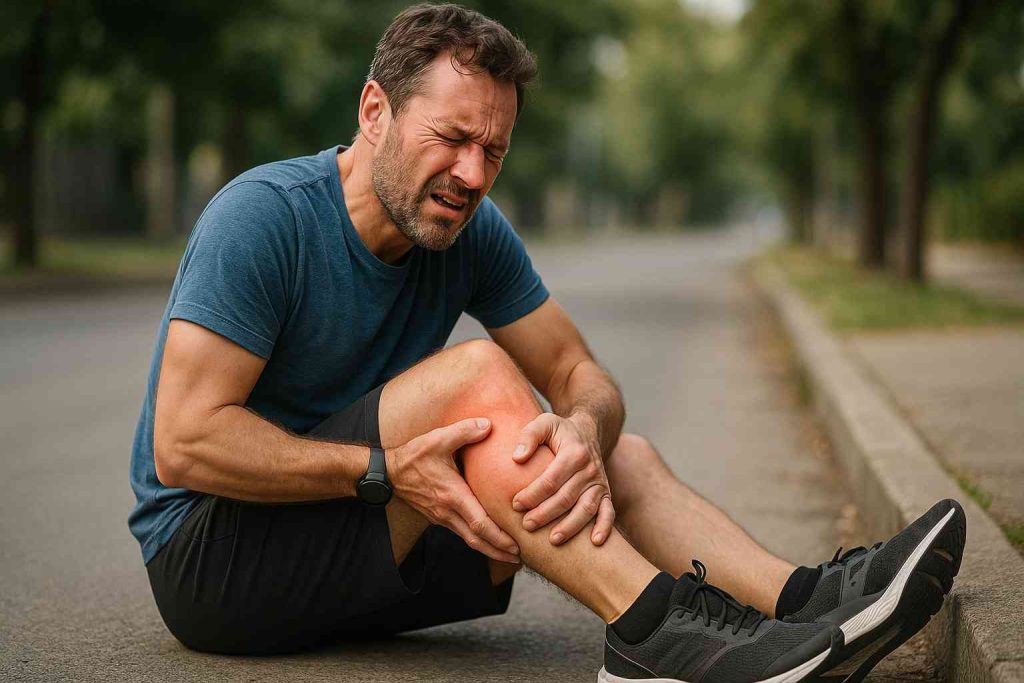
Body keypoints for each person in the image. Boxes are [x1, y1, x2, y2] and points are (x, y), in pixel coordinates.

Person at [128, 5, 966, 682]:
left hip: (358, 538)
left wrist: (581, 436)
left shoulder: (468, 228)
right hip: (217, 563)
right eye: (452, 138)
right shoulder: (264, 218)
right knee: (478, 377)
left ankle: (813, 606)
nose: (472, 172)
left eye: (493, 149)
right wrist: (381, 469)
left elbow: (577, 370)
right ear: (375, 111)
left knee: (618, 454)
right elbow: (185, 442)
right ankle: (652, 638)